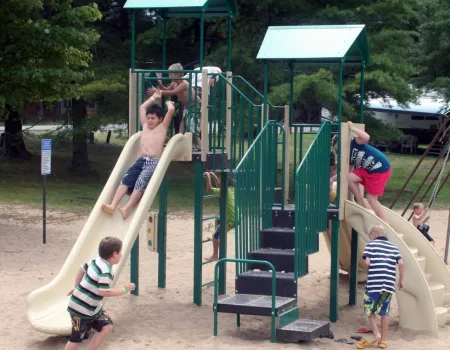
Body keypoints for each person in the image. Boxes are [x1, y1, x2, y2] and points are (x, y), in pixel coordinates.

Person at [102, 91, 175, 219]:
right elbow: (142, 107)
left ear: (160, 119)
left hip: (153, 161)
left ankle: (126, 208)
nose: (150, 120)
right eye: (149, 118)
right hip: (141, 160)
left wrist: (169, 102)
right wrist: (154, 97)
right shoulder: (145, 126)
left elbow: (171, 111)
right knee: (126, 180)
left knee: (140, 183)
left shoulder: (162, 128)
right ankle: (113, 205)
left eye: (153, 118)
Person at [65, 237, 135, 350]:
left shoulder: (96, 260)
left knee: (106, 326)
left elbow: (82, 269)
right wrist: (124, 290)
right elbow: (104, 292)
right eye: (120, 252)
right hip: (79, 310)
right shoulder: (105, 272)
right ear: (114, 254)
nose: (121, 254)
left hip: (92, 308)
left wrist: (77, 287)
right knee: (76, 338)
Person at [331, 122, 391, 222]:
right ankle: (361, 203)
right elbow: (345, 174)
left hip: (379, 168)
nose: (339, 151)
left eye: (338, 147)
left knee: (372, 199)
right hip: (367, 169)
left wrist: (352, 128)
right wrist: (333, 178)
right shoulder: (348, 156)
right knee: (349, 178)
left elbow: (366, 137)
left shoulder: (356, 142)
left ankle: (385, 222)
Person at [357, 224, 404, 349]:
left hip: (373, 284)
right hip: (388, 285)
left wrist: (368, 273)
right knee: (384, 312)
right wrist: (401, 281)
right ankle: (383, 340)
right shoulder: (394, 247)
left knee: (369, 309)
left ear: (373, 235)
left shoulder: (371, 244)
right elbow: (401, 263)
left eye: (370, 237)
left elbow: (367, 262)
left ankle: (376, 334)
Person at [149, 63, 201, 149]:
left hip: (195, 105)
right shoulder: (173, 83)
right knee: (183, 123)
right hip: (187, 106)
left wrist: (157, 91)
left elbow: (173, 92)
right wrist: (159, 83)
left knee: (191, 126)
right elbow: (166, 90)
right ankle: (180, 140)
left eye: (171, 74)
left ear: (178, 74)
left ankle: (200, 146)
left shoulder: (184, 84)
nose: (169, 76)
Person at [204, 172, 235, 262]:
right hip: (233, 218)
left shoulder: (225, 191)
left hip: (231, 220)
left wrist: (208, 177)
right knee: (217, 220)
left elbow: (209, 189)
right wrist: (214, 177)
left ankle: (214, 256)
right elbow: (220, 186)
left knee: (215, 235)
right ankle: (216, 240)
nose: (219, 184)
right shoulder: (231, 190)